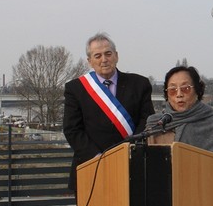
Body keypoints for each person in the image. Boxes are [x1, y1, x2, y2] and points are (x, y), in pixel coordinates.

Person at [63, 32, 155, 193]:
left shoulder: (139, 84)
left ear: (116, 56)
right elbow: (72, 129)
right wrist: (97, 157)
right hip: (92, 166)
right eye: (97, 56)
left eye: (108, 54)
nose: (103, 60)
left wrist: (130, 151)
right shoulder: (75, 89)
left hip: (132, 165)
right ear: (90, 61)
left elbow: (147, 120)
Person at [145, 66, 213, 157]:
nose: (179, 94)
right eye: (172, 90)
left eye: (185, 88)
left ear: (197, 90)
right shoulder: (155, 124)